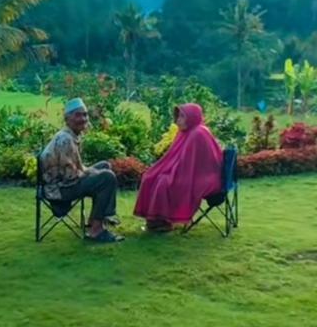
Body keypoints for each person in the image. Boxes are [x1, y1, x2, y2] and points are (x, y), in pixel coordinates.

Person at [40, 98, 124, 244]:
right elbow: (70, 176)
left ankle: (96, 219)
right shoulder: (65, 139)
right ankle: (96, 230)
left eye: (85, 115)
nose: (83, 119)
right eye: (78, 115)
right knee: (107, 177)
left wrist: (91, 171)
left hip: (64, 183)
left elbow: (76, 168)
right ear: (67, 119)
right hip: (60, 190)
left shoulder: (71, 135)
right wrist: (92, 174)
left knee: (104, 166)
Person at [134, 103, 223, 232]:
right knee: (150, 176)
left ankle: (162, 222)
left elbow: (194, 165)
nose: (178, 121)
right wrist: (165, 169)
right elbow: (175, 158)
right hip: (189, 172)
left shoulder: (198, 133)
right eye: (178, 116)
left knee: (163, 183)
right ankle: (155, 221)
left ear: (192, 117)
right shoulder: (186, 133)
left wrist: (170, 172)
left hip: (203, 177)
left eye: (182, 116)